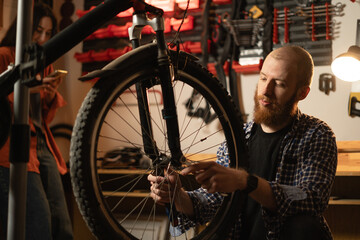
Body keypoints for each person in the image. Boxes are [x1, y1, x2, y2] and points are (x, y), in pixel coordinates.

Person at [148, 45, 338, 239]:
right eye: (263, 78)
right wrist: (178, 196)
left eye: (279, 83)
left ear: (302, 93)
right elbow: (212, 203)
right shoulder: (238, 138)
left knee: (305, 225)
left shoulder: (317, 134)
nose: (266, 90)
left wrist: (245, 182)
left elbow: (311, 199)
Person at [0, 3, 73, 240]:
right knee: (38, 223)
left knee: (62, 223)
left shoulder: (45, 62)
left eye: (48, 33)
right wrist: (26, 90)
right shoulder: (4, 55)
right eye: (38, 30)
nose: (42, 38)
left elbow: (43, 117)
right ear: (26, 28)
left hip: (42, 143)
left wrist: (49, 94)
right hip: (12, 144)